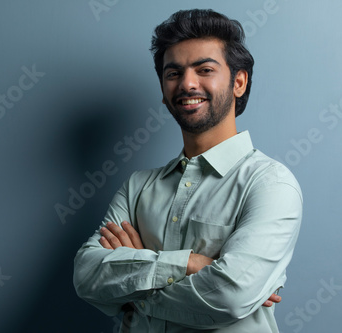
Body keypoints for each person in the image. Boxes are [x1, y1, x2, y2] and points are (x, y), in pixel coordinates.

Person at [73, 9, 302, 333]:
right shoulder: (137, 187)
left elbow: (230, 295)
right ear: (164, 95)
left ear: (239, 82)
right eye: (173, 73)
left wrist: (134, 287)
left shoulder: (270, 184)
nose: (187, 83)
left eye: (204, 69)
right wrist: (191, 264)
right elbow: (86, 276)